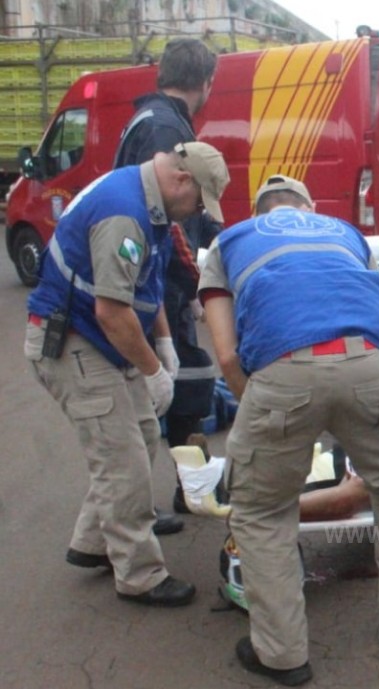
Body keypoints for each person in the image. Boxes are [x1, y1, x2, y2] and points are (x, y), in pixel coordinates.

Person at [199, 174, 379, 686]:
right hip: (370, 362)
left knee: (261, 510)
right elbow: (372, 310)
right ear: (308, 205)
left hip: (282, 370)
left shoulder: (231, 240)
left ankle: (282, 656)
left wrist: (260, 404)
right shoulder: (344, 231)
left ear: (261, 210)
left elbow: (228, 351)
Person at [24, 141, 229, 608]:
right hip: (73, 341)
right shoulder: (125, 214)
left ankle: (94, 543)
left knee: (134, 435)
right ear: (181, 180)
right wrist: (155, 370)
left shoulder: (149, 203)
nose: (195, 212)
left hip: (95, 337)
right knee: (123, 461)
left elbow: (145, 283)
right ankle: (139, 574)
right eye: (198, 202)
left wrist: (162, 343)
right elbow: (112, 311)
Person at [114, 37, 221, 529]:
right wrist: (200, 282)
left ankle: (186, 487)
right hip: (162, 283)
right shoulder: (164, 128)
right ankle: (182, 492)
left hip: (154, 281)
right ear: (205, 82)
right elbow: (172, 214)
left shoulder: (151, 118)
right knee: (182, 381)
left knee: (180, 381)